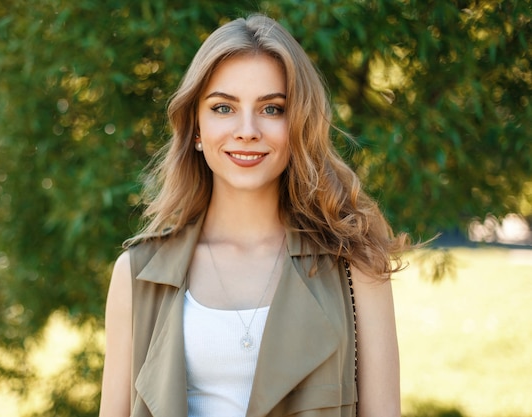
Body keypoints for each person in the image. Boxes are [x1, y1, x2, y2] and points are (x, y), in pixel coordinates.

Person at [99, 14, 410, 417]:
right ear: (196, 127)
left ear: (298, 124)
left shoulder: (355, 267)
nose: (246, 130)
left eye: (272, 109)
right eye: (224, 107)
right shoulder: (136, 274)